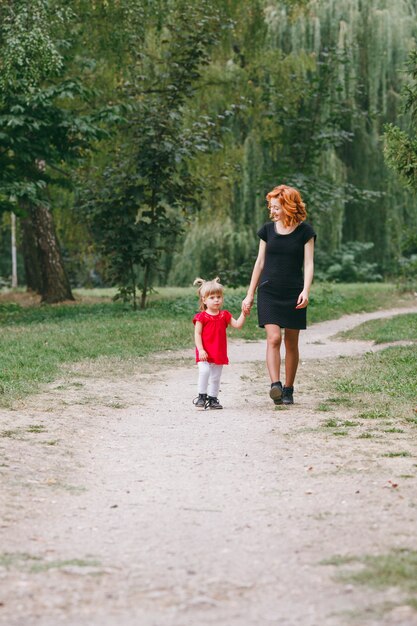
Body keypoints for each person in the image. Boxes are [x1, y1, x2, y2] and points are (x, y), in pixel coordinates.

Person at [242, 184, 316, 406]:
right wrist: (249, 293)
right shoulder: (267, 230)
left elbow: (309, 263)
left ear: (288, 206)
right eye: (271, 207)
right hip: (269, 290)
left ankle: (288, 389)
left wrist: (306, 290)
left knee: (291, 342)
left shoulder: (305, 232)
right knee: (273, 338)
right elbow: (260, 262)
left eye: (276, 207)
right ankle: (275, 385)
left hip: (294, 292)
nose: (271, 211)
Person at [193, 277, 247, 410]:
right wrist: (201, 350)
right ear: (204, 300)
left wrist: (244, 314)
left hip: (218, 352)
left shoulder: (225, 315)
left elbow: (238, 325)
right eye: (212, 297)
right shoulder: (201, 317)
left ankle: (212, 399)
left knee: (216, 378)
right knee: (204, 371)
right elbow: (197, 334)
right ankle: (201, 396)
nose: (216, 300)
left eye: (219, 296)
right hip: (204, 352)